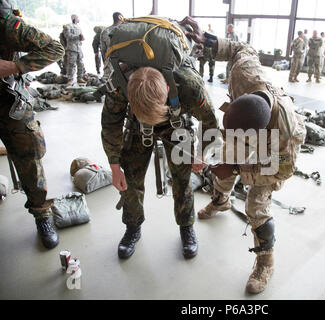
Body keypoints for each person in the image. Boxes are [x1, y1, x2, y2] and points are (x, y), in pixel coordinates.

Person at [179, 16, 306, 294]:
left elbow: (281, 171)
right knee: (224, 165)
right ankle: (221, 201)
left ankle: (265, 262)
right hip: (247, 124)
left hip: (272, 151)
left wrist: (238, 169)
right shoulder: (245, 74)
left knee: (256, 205)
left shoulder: (285, 133)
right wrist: (208, 40)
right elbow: (242, 49)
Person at [100, 20, 218, 260]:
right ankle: (132, 227)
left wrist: (203, 153)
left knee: (182, 180)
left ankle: (186, 227)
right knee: (131, 180)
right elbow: (110, 125)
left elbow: (211, 121)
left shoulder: (188, 84)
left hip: (176, 124)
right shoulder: (118, 86)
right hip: (135, 126)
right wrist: (114, 166)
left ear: (167, 88)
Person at [0, 0, 65, 249]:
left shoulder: (8, 25)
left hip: (8, 102)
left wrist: (17, 66)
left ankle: (41, 214)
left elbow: (54, 47)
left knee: (30, 156)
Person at [100, 12, 124, 78]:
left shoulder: (105, 31)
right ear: (120, 17)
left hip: (110, 62)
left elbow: (103, 50)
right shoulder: (124, 30)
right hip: (123, 61)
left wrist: (105, 61)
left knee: (107, 82)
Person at [64, 14, 86, 85]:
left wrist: (82, 38)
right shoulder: (68, 26)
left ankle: (80, 77)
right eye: (77, 17)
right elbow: (67, 36)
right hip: (72, 48)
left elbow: (81, 37)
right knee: (71, 64)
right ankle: (70, 79)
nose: (78, 19)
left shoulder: (79, 27)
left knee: (81, 64)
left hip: (79, 48)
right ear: (74, 18)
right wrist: (77, 37)